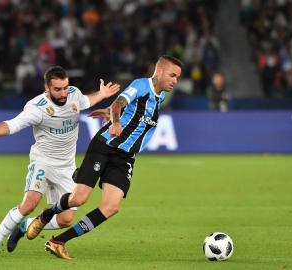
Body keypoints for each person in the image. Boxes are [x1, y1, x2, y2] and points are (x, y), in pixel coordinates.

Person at [25, 55, 182, 259]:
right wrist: (115, 121)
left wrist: (110, 113)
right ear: (159, 72)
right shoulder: (142, 85)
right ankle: (47, 214)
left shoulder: (160, 97)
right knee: (78, 199)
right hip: (105, 146)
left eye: (178, 77)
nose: (175, 81)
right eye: (172, 75)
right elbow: (119, 102)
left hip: (125, 157)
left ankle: (58, 241)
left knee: (111, 207)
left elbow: (130, 110)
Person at [0, 66, 120, 256]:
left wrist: (102, 94)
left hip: (67, 167)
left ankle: (25, 225)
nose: (63, 93)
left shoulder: (73, 95)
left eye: (65, 87)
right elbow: (13, 124)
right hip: (43, 162)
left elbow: (87, 100)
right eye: (58, 89)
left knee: (66, 220)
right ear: (47, 88)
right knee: (30, 203)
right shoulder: (37, 108)